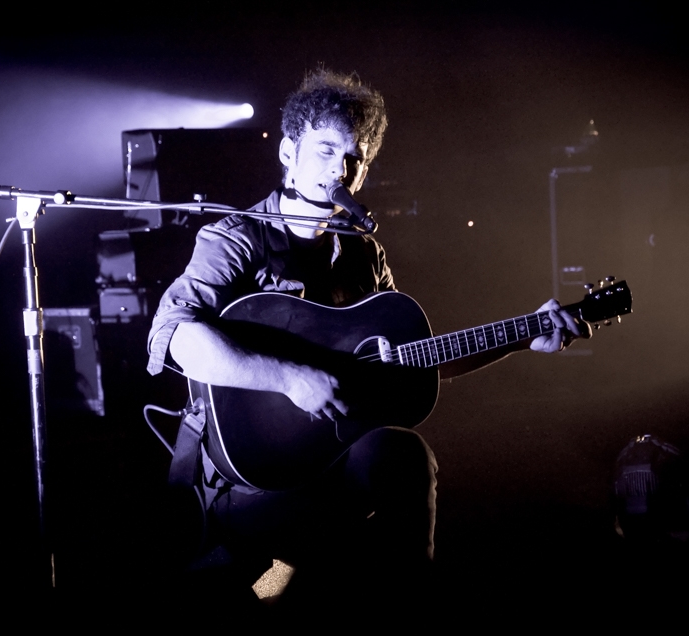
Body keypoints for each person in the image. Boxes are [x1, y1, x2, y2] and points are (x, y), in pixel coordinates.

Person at [146, 69, 587, 605]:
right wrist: (290, 378)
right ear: (288, 152)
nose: (340, 169)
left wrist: (522, 336)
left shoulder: (361, 253)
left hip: (330, 468)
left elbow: (406, 363)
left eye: (354, 159)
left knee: (401, 454)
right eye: (326, 151)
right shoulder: (235, 239)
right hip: (249, 483)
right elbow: (174, 337)